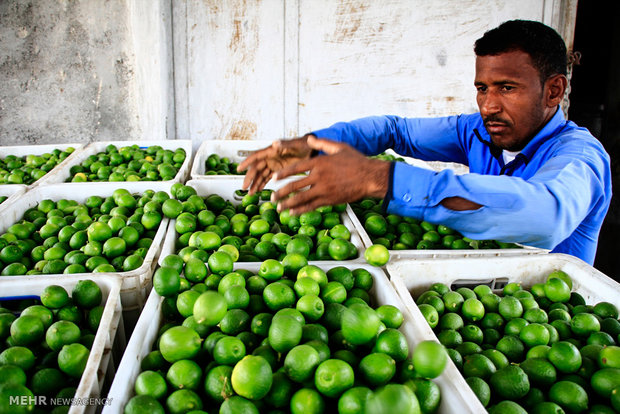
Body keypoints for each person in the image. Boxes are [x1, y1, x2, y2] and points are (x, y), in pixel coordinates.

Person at [238, 20, 611, 265]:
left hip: (550, 318)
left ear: (553, 91)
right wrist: (312, 143)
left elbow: (545, 216)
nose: (489, 105)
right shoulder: (477, 131)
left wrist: (382, 179)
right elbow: (393, 130)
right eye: (482, 89)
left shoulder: (580, 157)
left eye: (507, 89)